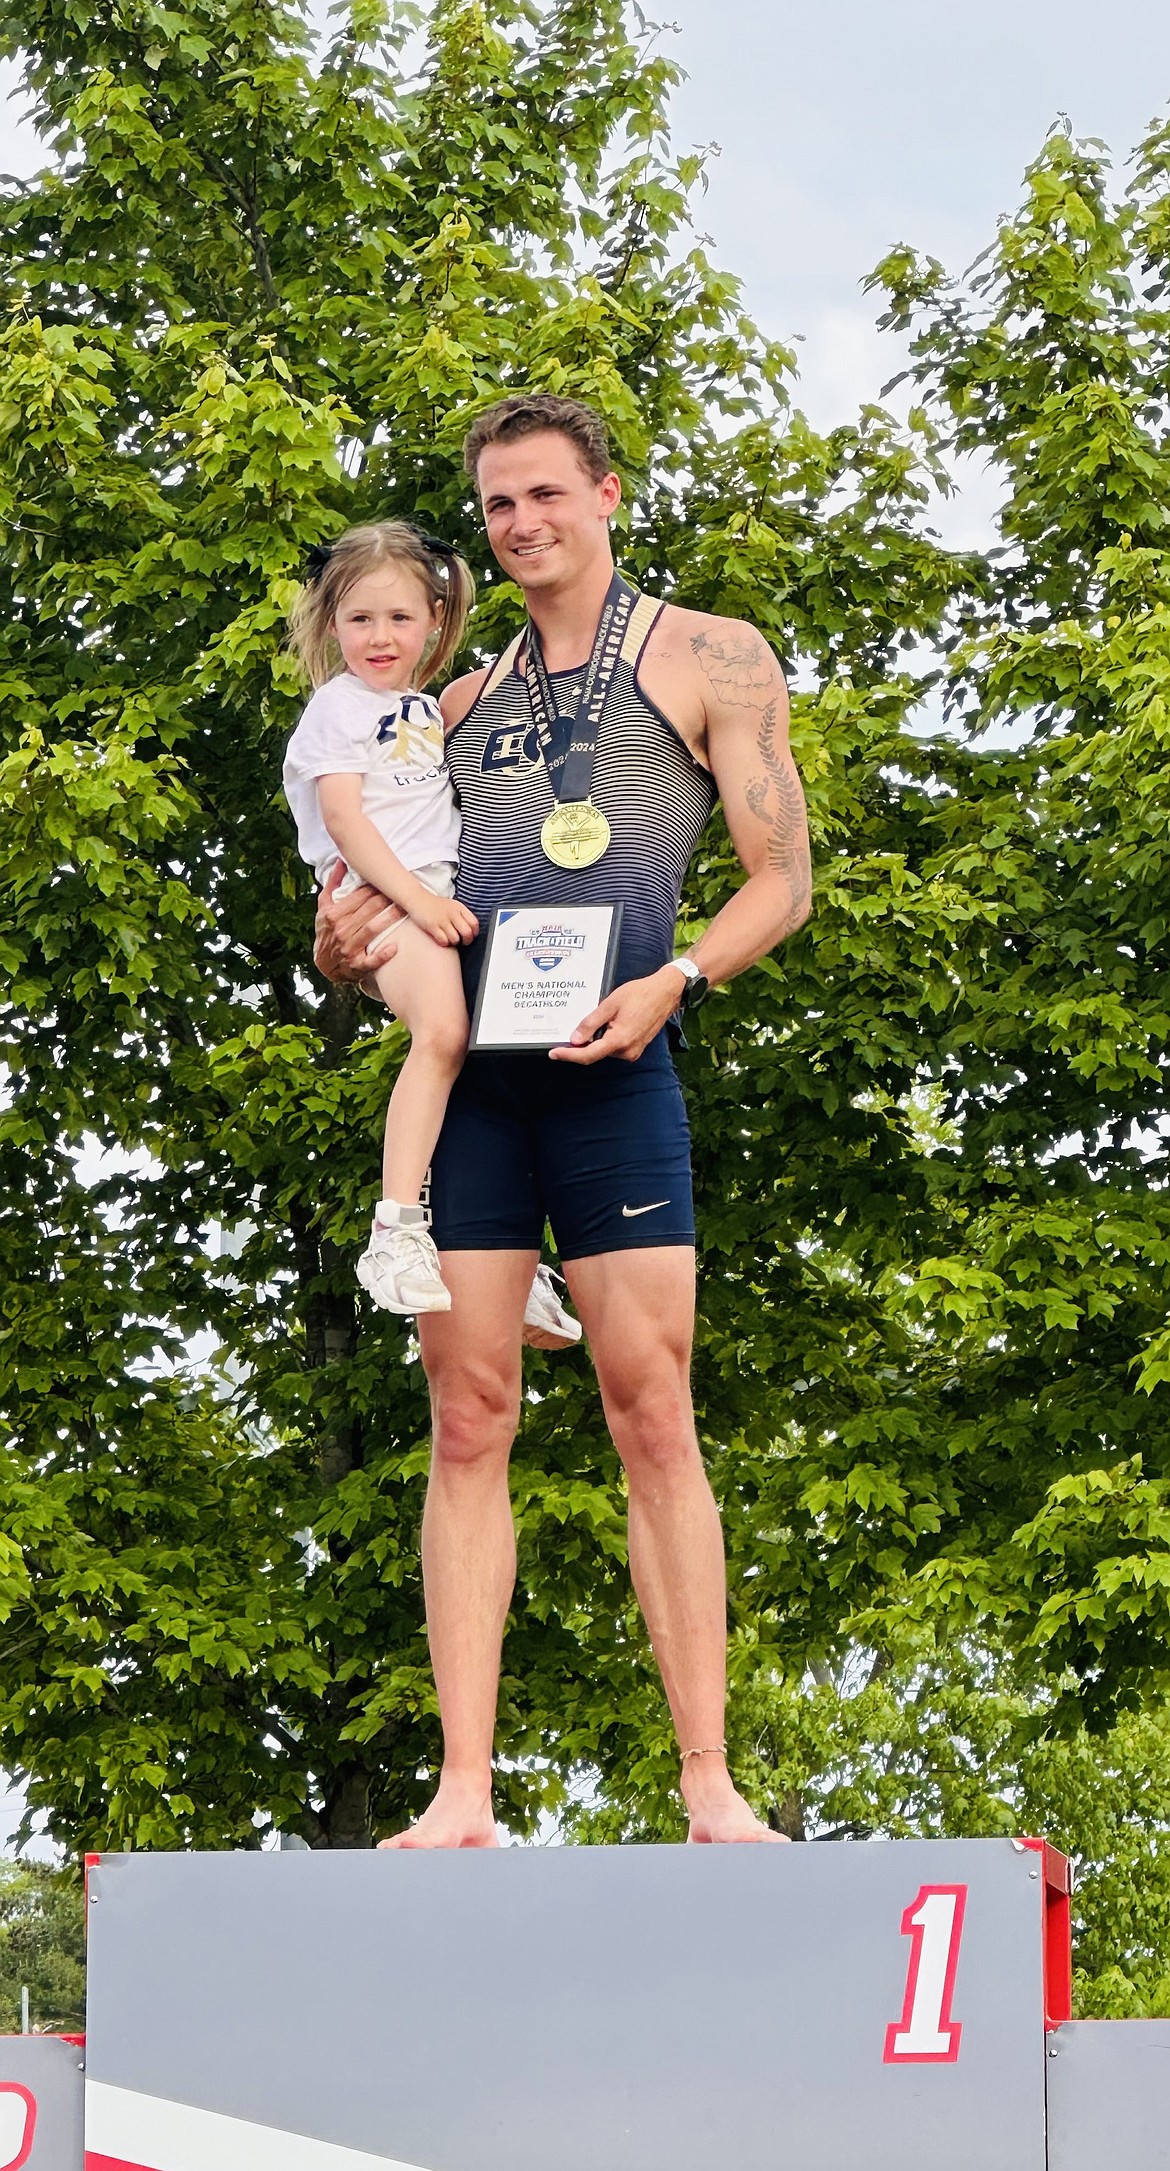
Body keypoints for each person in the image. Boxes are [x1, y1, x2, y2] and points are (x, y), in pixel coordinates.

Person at [314, 396, 813, 1845]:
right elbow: (367, 898)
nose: (520, 524)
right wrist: (342, 944)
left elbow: (781, 881)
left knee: (650, 1408)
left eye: (543, 495)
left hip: (622, 1057)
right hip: (480, 1084)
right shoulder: (444, 705)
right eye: (494, 507)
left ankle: (707, 1782)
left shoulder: (711, 653)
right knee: (467, 1415)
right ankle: (462, 1789)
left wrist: (678, 976)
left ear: (603, 494)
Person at [283, 519, 580, 1346]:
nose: (380, 637)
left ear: (435, 621)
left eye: (400, 619)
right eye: (360, 619)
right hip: (387, 907)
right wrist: (416, 901)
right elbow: (346, 821)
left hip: (436, 906)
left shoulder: (417, 705)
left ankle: (509, 1262)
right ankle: (395, 1230)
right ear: (331, 623)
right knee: (444, 1037)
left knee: (502, 1066)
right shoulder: (336, 710)